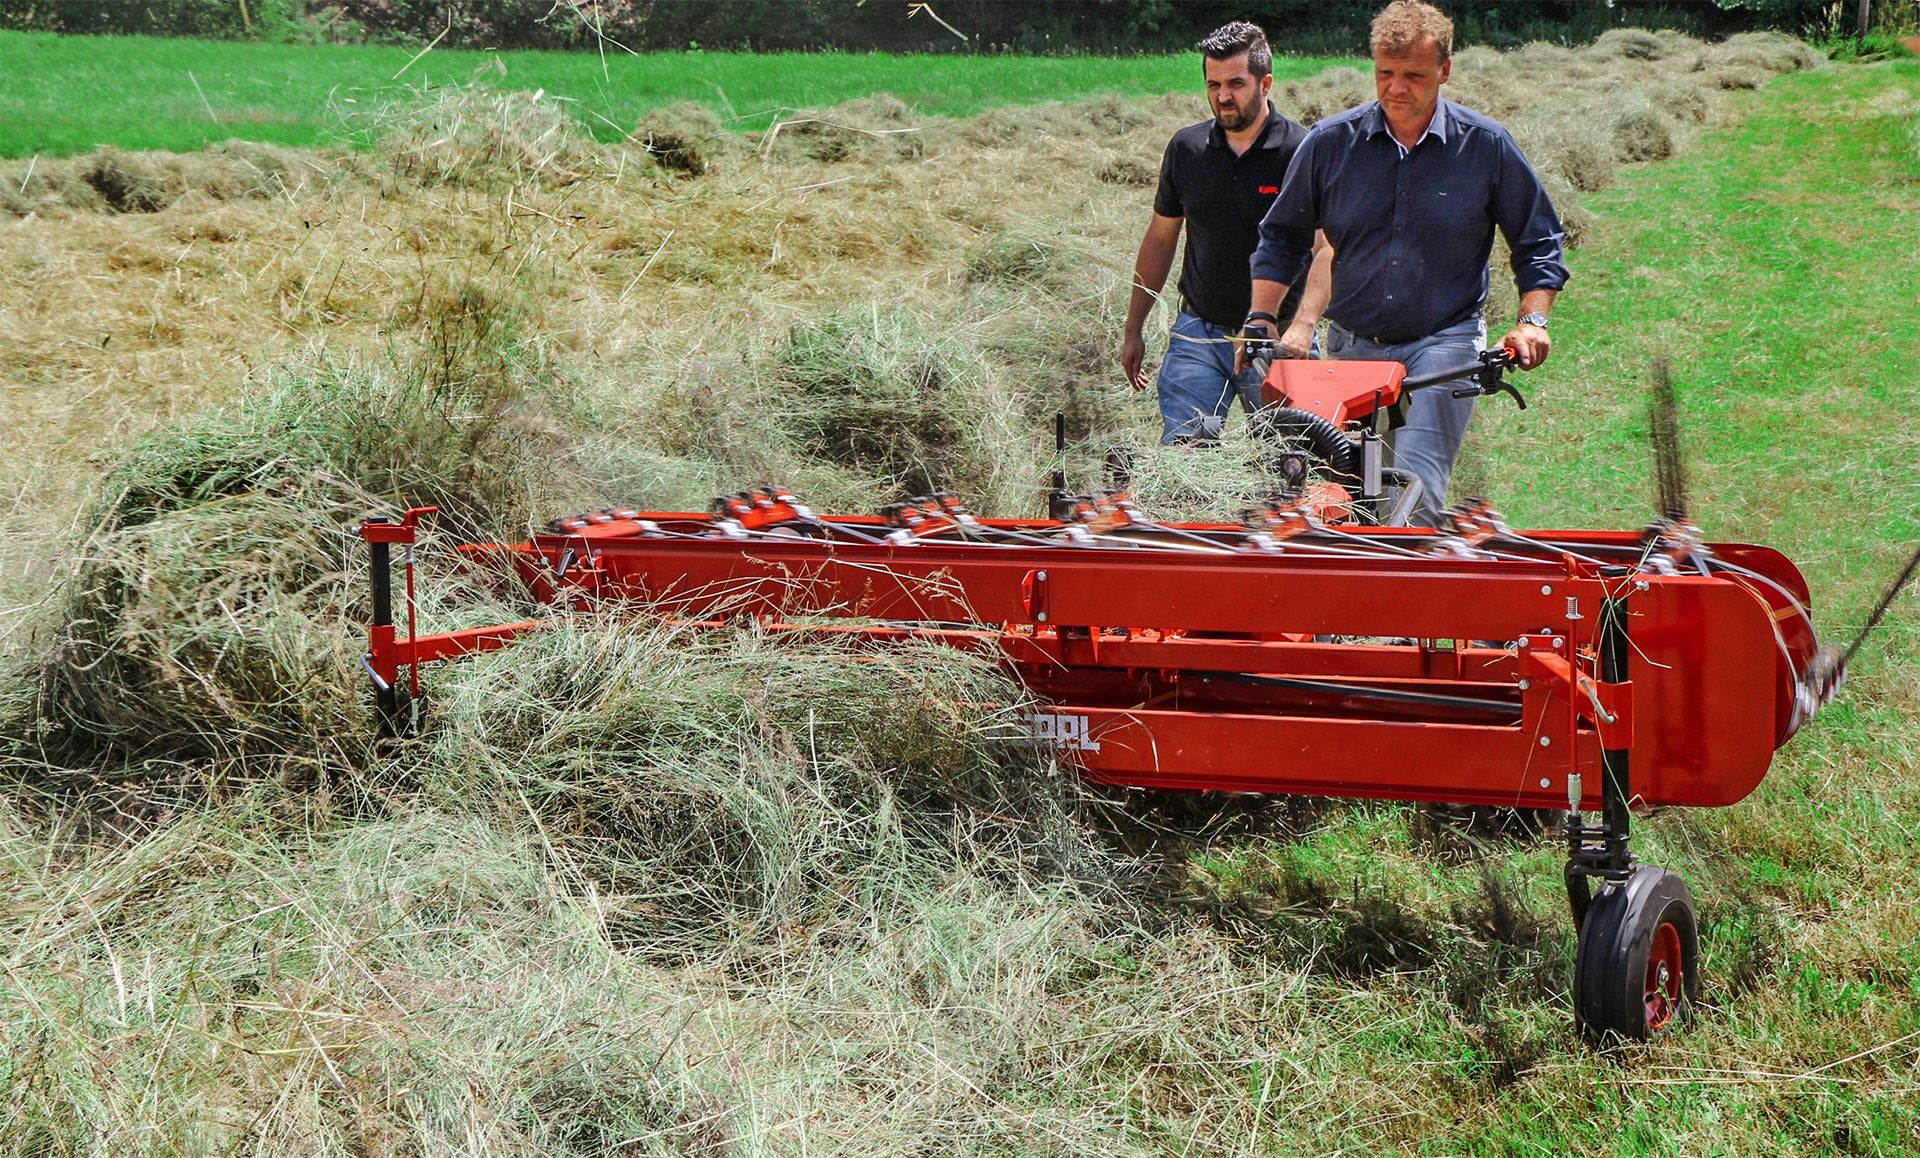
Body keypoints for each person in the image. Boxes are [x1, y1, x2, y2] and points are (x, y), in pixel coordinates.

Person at [1244, 0, 1568, 525]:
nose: (1396, 88)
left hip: (1444, 342)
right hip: (1352, 344)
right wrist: (1262, 315)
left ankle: (1411, 565)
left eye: (1413, 75)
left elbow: (1538, 238)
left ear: (1445, 69)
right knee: (1342, 497)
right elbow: (1282, 235)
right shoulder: (1331, 144)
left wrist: (1533, 321)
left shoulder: (1485, 147)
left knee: (1409, 495)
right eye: (1385, 74)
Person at [1122, 21, 1333, 445]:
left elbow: (1327, 249)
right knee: (1186, 458)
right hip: (1199, 331)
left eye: (1236, 84)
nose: (1222, 96)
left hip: (1276, 339)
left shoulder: (1301, 151)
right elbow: (1160, 239)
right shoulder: (1187, 149)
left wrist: (1303, 326)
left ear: (1265, 83)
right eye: (1213, 84)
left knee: (1289, 462)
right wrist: (1134, 327)